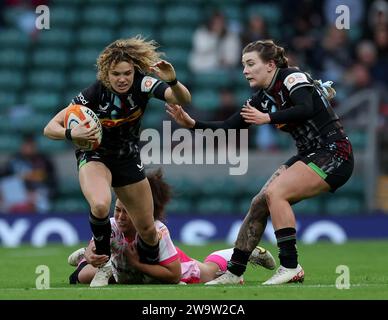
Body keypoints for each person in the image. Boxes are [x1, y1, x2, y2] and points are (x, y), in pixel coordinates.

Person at [166, 39, 354, 285]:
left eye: (251, 64)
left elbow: (306, 108)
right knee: (258, 203)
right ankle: (234, 272)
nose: (245, 70)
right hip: (309, 153)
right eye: (243, 65)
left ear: (270, 65)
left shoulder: (291, 77)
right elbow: (228, 126)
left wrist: (267, 118)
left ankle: (290, 266)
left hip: (334, 153)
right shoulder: (262, 98)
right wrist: (192, 123)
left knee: (276, 194)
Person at [43, 36, 191, 287]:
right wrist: (72, 133)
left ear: (134, 71)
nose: (122, 79)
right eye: (116, 74)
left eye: (127, 73)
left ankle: (149, 272)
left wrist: (172, 81)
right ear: (106, 73)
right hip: (95, 155)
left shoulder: (144, 84)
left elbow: (182, 99)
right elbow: (49, 128)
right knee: (101, 205)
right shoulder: (93, 93)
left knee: (147, 229)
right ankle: (102, 263)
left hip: (127, 157)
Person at [67, 169, 276, 285]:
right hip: (124, 270)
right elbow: (95, 245)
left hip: (167, 265)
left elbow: (174, 275)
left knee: (209, 272)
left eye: (126, 212)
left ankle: (242, 252)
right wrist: (89, 253)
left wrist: (136, 264)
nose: (120, 217)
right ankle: (82, 258)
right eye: (118, 210)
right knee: (82, 276)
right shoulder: (111, 225)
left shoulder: (157, 231)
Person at [0, 133, 58, 213]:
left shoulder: (44, 160)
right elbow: (4, 178)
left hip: (38, 193)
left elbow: (53, 182)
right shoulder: (14, 160)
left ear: (35, 146)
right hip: (18, 194)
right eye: (26, 145)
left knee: (42, 201)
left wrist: (35, 191)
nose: (28, 148)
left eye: (31, 146)